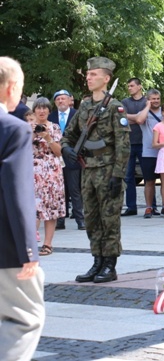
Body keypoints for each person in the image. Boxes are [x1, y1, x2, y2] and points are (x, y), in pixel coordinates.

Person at [61, 56, 130, 284]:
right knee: (91, 218)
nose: (89, 78)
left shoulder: (114, 107)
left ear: (106, 78)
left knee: (109, 218)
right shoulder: (84, 107)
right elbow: (68, 136)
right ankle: (97, 261)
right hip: (87, 170)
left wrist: (118, 176)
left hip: (109, 170)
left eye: (94, 75)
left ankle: (110, 265)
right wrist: (66, 150)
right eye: (88, 75)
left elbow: (123, 144)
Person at [0, 56, 45, 361]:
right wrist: (29, 250)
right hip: (4, 247)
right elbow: (17, 193)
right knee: (24, 319)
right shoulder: (13, 129)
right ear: (12, 87)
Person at [30, 97, 66, 256]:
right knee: (32, 208)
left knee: (51, 208)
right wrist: (32, 133)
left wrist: (47, 137)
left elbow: (59, 152)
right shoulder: (26, 127)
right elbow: (20, 148)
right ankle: (29, 244)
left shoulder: (55, 128)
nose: (42, 111)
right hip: (32, 169)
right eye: (38, 108)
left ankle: (47, 244)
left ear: (49, 111)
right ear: (34, 110)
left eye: (45, 108)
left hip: (52, 171)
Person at [49, 89, 85, 231]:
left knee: (74, 189)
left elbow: (83, 134)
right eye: (58, 99)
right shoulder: (51, 116)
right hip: (56, 157)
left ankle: (80, 220)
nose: (61, 101)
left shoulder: (77, 115)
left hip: (72, 156)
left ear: (70, 100)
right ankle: (60, 220)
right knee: (59, 190)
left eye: (63, 98)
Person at [121, 78, 148, 216]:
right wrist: (137, 118)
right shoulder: (125, 102)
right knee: (128, 176)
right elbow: (123, 120)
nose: (129, 88)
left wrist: (136, 119)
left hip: (145, 143)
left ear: (139, 86)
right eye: (128, 86)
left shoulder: (146, 102)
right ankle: (131, 207)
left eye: (132, 85)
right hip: (129, 143)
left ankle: (151, 206)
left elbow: (145, 120)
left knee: (148, 176)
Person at [135, 88, 163, 219]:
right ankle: (148, 207)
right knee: (149, 181)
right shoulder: (144, 113)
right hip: (148, 151)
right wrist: (147, 106)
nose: (156, 101)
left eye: (157, 99)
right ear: (148, 99)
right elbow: (139, 120)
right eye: (153, 99)